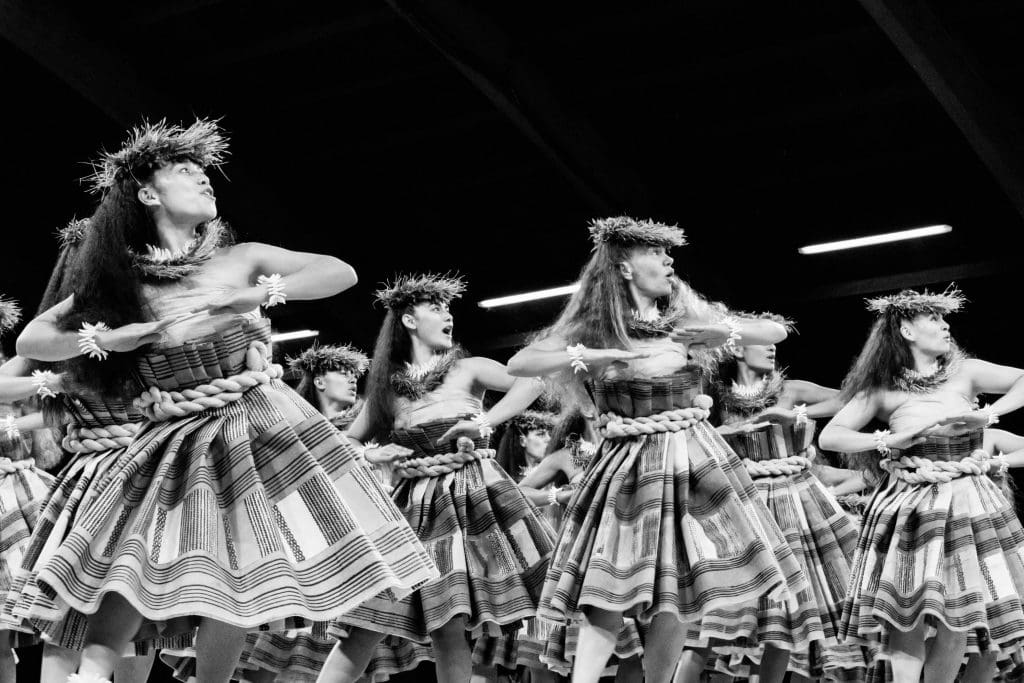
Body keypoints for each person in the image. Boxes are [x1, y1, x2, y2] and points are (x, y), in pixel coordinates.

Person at [15, 119, 437, 683]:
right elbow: (33, 340)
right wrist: (108, 339)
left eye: (205, 172)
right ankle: (88, 677)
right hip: (171, 433)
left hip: (254, 425)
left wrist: (256, 293)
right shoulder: (121, 282)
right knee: (136, 558)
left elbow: (339, 271)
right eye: (185, 172)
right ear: (147, 192)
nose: (204, 180)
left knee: (241, 566)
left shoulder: (240, 258)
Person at [505, 216, 799, 683]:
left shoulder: (684, 320)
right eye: (655, 255)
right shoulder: (596, 326)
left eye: (669, 255)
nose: (668, 262)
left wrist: (721, 335)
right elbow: (522, 362)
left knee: (678, 588)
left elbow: (775, 331)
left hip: (692, 461)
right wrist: (591, 357)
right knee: (609, 585)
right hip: (629, 465)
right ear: (624, 268)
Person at [316, 273, 556, 683]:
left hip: (467, 499)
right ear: (409, 321)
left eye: (449, 309)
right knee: (366, 622)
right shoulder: (386, 391)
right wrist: (374, 452)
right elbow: (343, 442)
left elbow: (533, 380)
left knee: (450, 625)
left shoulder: (469, 368)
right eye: (436, 308)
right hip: (411, 506)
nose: (448, 316)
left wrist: (483, 422)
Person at [820, 286, 1024, 683]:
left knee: (958, 616)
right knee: (907, 613)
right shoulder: (882, 390)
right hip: (912, 505)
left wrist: (988, 415)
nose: (946, 326)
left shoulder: (967, 372)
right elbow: (832, 436)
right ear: (907, 331)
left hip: (967, 502)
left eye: (944, 318)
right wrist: (886, 440)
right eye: (934, 318)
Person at [695, 313, 863, 681]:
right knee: (720, 618)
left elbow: (854, 400)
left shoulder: (791, 389)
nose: (772, 349)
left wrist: (793, 414)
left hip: (793, 504)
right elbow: (695, 431)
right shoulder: (715, 397)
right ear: (737, 347)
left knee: (783, 615)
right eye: (763, 342)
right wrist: (737, 428)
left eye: (776, 344)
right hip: (740, 504)